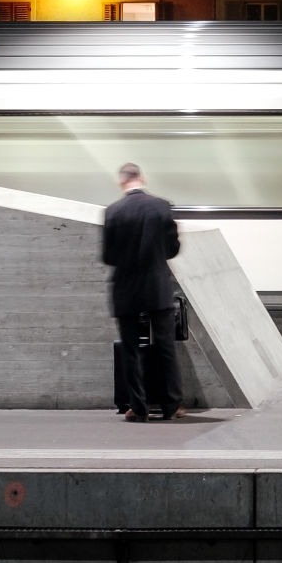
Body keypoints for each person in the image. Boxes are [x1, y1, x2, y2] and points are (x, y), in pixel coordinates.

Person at [102, 161, 183, 422]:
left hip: (126, 288)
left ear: (121, 181)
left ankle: (138, 407)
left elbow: (108, 256)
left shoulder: (113, 211)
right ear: (142, 178)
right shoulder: (161, 206)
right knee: (165, 347)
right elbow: (172, 248)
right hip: (157, 286)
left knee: (131, 349)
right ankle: (171, 405)